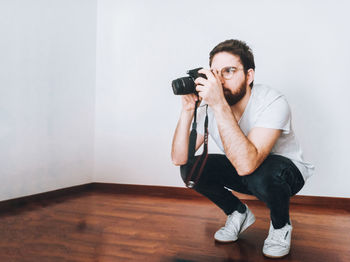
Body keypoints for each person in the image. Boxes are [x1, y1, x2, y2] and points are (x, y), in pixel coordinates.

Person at [171, 39, 314, 258]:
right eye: (216, 73)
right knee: (191, 168)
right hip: (244, 168)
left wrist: (219, 105)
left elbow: (249, 163)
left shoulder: (271, 101)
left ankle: (281, 226)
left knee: (261, 173)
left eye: (229, 71)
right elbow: (179, 158)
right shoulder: (210, 105)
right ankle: (237, 213)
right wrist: (188, 110)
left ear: (249, 76)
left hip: (284, 175)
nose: (220, 80)